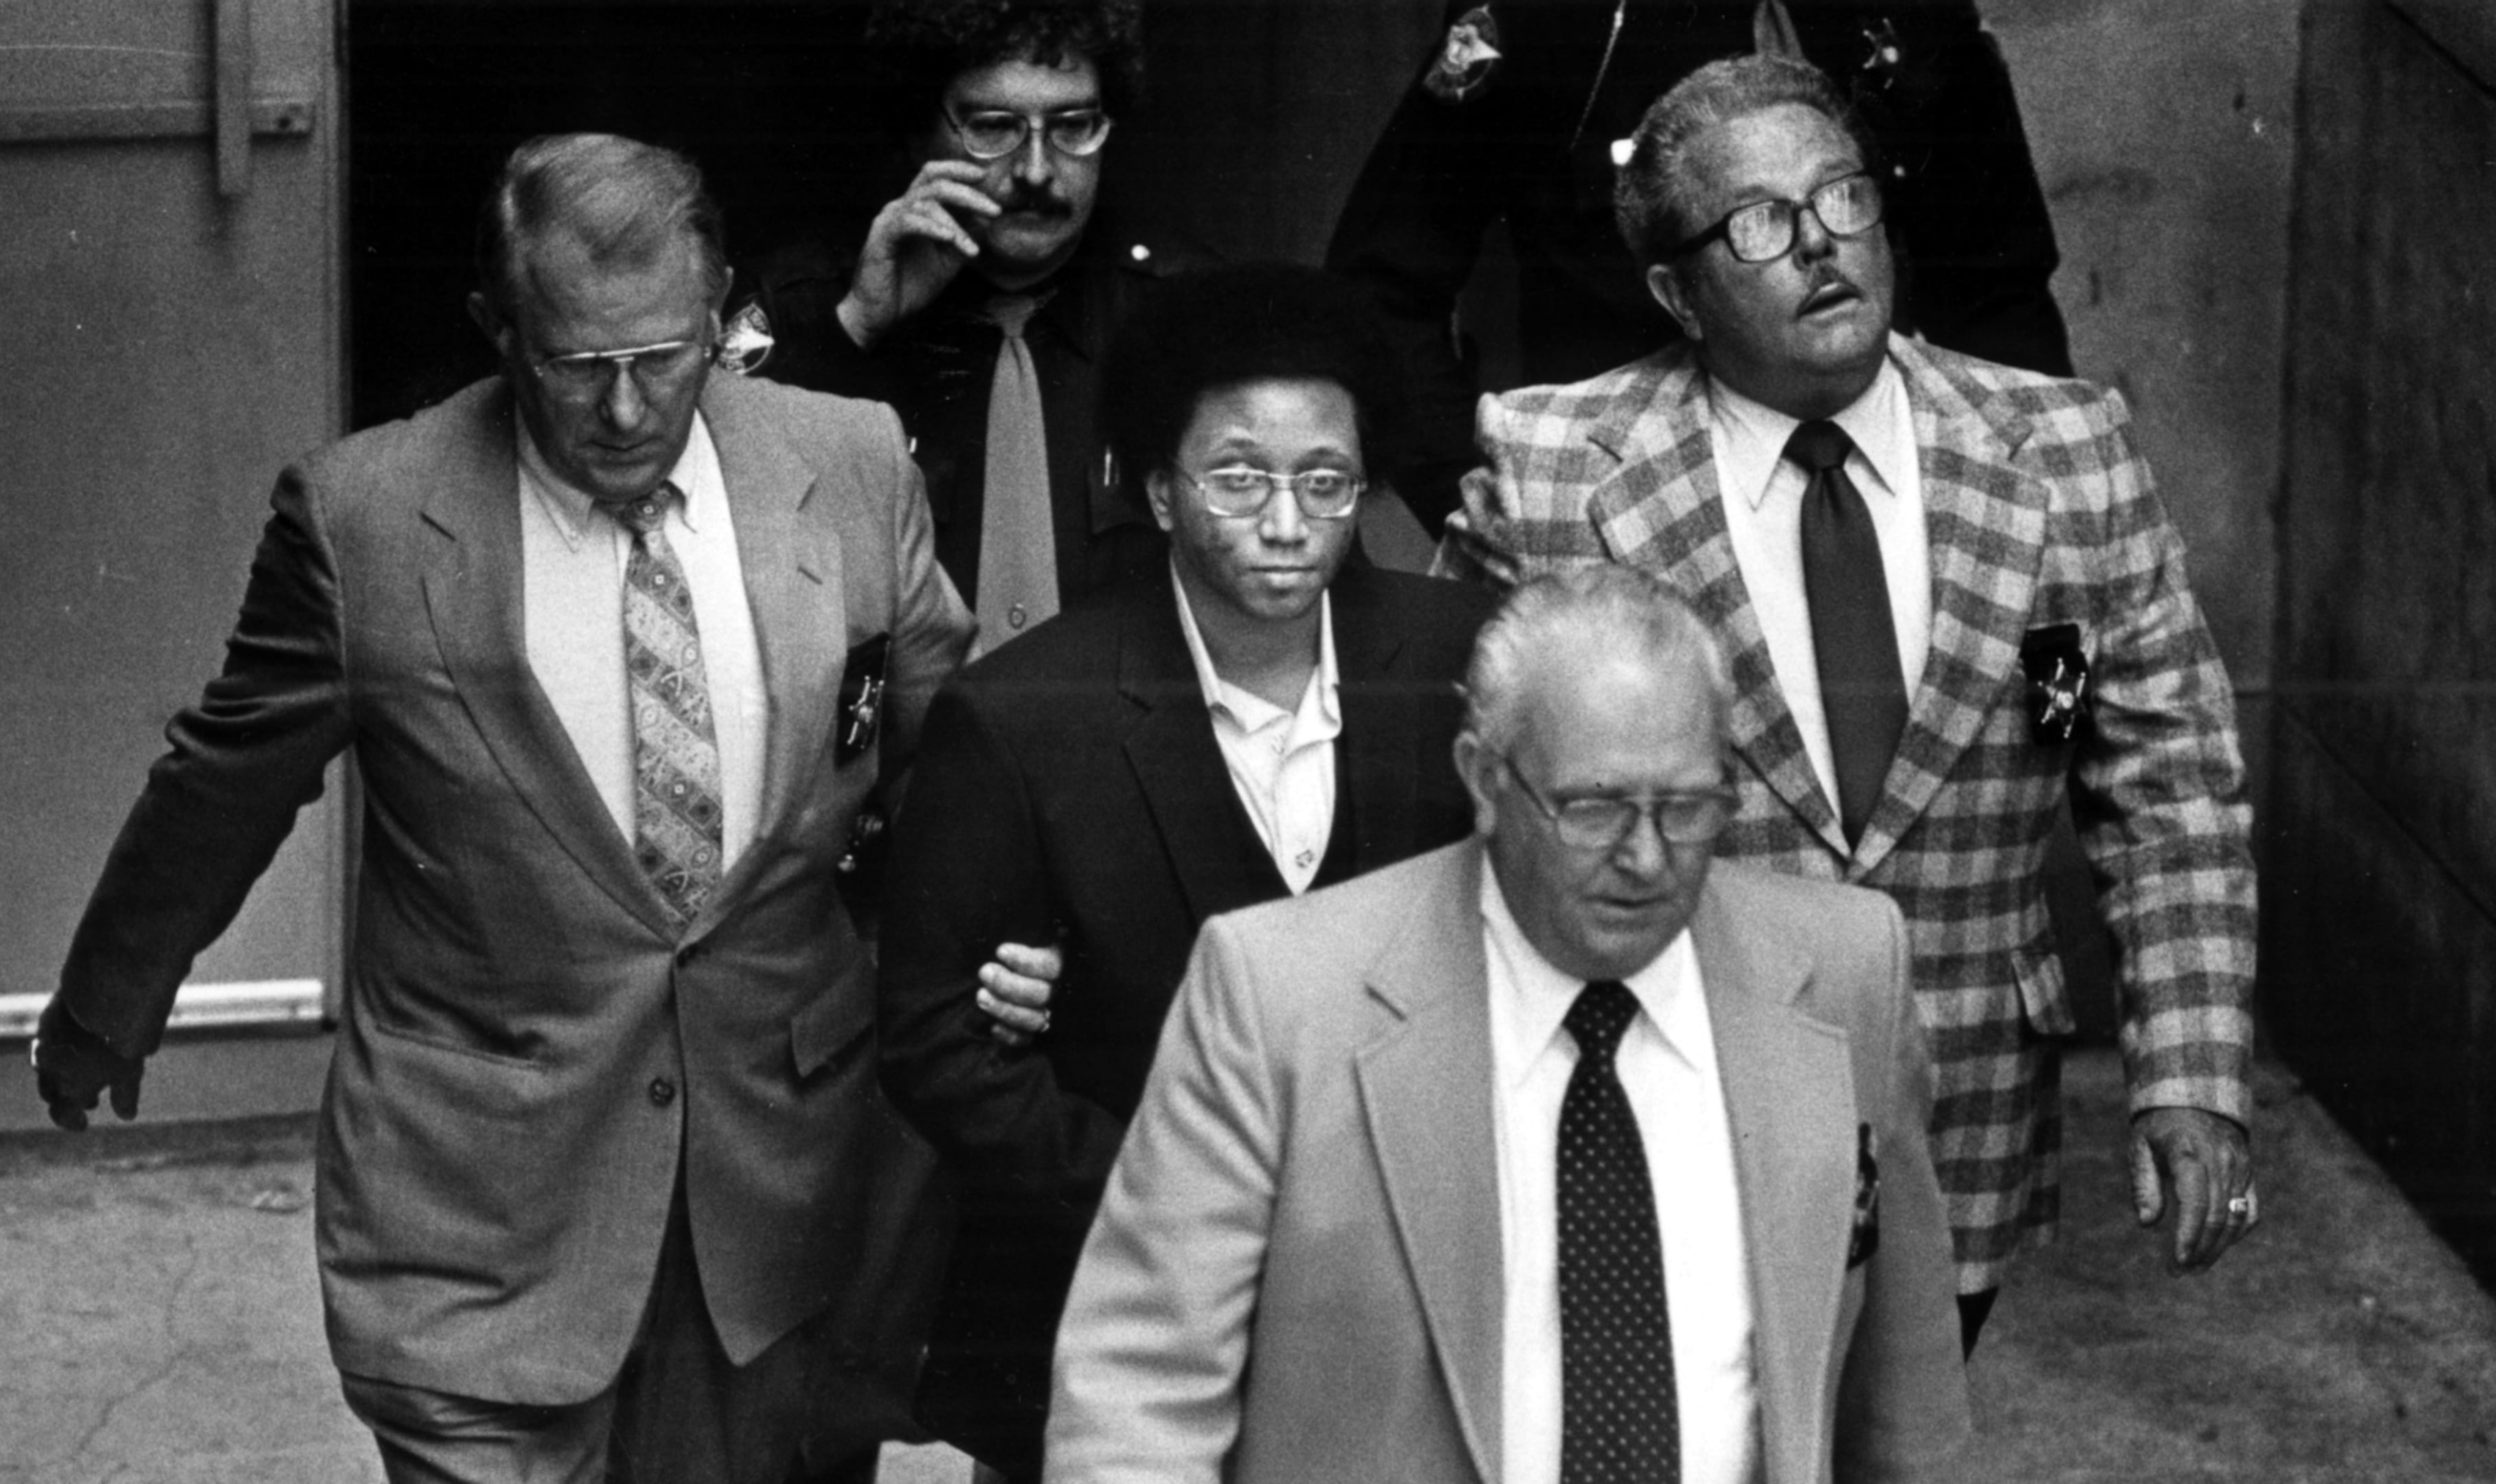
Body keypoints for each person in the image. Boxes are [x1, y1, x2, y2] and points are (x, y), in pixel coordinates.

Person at [29, 133, 972, 1483]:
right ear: (498, 332)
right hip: (479, 1206)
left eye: (668, 359)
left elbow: (954, 748)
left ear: (718, 318)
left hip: (775, 1199)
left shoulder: (851, 463)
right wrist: (109, 1002)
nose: (630, 410)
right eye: (578, 367)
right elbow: (223, 778)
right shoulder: (365, 520)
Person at [1440, 54, 2260, 1352]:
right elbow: (1467, 817)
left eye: (1843, 198)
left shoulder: (2065, 458)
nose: (1820, 244)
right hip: (1663, 1101)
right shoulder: (1552, 478)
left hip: (1964, 1105)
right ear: (1676, 291)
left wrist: (2193, 1073)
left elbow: (2167, 791)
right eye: (1758, 224)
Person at [1047, 564, 1968, 1483]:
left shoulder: (1846, 969)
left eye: (1688, 808)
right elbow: (1139, 1399)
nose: (1646, 858)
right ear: (1484, 781)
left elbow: (1908, 1394)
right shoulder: (1277, 998)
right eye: (1594, 808)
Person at [876, 263, 1495, 1483]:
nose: (1284, 520)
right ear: (1160, 491)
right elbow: (934, 1044)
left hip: (1425, 1281)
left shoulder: (1462, 662)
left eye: (1325, 482)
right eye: (1239, 477)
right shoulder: (1022, 713)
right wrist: (1188, 1202)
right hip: (1126, 1296)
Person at [1326, 0, 2074, 526]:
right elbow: (1379, 290)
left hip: (1901, 497)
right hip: (1640, 520)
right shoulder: (1551, 21)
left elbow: (2002, 301)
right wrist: (1496, 509)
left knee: (2034, 718)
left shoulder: (1912, 16)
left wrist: (2034, 526)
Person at [753, 0, 1200, 653]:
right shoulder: (812, 303)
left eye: (1074, 125)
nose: (1037, 171)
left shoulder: (1187, 312)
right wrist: (854, 331)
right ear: (917, 132)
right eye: (994, 128)